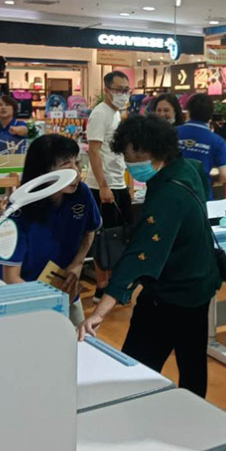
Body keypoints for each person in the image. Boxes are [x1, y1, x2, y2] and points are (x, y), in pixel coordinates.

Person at [78, 115, 221, 398]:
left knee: (135, 370)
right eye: (127, 158)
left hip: (170, 294)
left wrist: (99, 312)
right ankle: (196, 416)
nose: (132, 165)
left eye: (137, 157)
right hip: (200, 283)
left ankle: (133, 413)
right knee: (192, 364)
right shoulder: (188, 168)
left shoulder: (168, 195)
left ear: (158, 152)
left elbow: (140, 255)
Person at [0, 134, 101, 327]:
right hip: (25, 299)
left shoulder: (81, 194)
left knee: (79, 339)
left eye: (77, 163)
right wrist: (50, 303)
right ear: (43, 171)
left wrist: (77, 264)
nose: (76, 173)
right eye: (67, 167)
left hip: (66, 293)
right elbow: (11, 278)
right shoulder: (18, 211)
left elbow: (89, 230)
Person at [85, 71, 134, 303]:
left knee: (121, 236)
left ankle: (114, 286)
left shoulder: (115, 114)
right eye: (118, 89)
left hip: (117, 183)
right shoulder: (100, 114)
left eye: (126, 90)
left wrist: (127, 183)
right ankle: (102, 287)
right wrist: (104, 186)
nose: (123, 94)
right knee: (105, 238)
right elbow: (93, 151)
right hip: (102, 187)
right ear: (106, 90)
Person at [176, 93, 226, 199]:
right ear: (210, 115)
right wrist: (211, 180)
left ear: (188, 112)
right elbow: (225, 174)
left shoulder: (173, 133)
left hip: (173, 192)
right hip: (201, 196)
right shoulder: (217, 141)